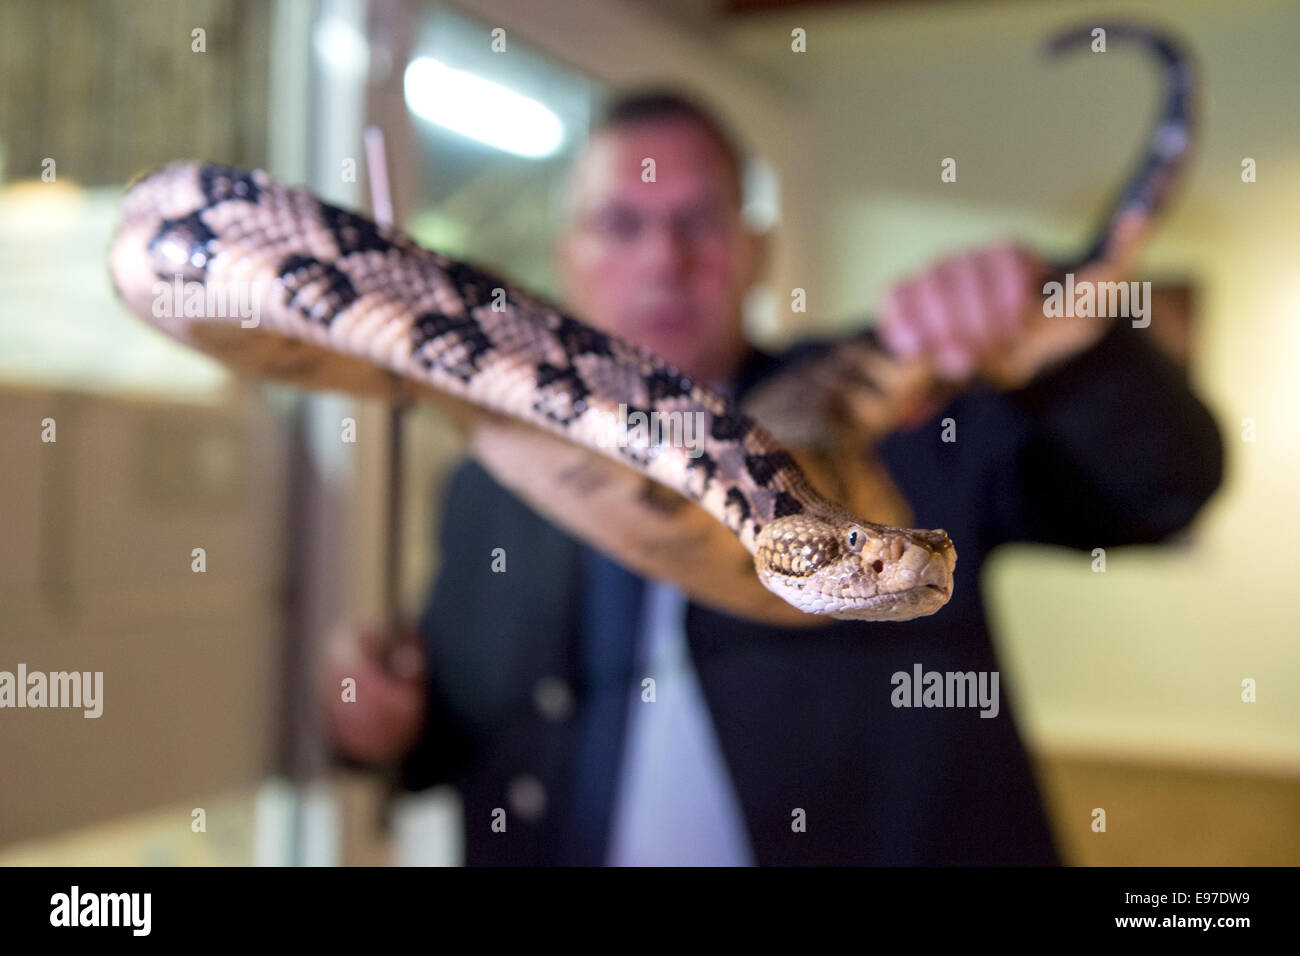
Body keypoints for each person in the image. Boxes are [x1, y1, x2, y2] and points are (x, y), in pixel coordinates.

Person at [321, 90, 1223, 865]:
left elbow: (1164, 489)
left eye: (698, 221)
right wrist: (379, 723)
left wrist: (1068, 346)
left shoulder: (890, 407)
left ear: (755, 249)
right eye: (622, 223)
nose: (665, 258)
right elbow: (457, 725)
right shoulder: (492, 479)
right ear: (569, 258)